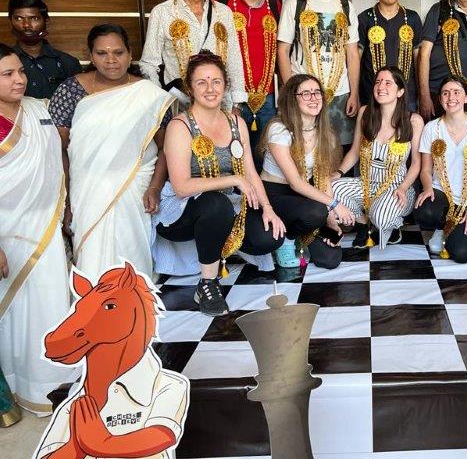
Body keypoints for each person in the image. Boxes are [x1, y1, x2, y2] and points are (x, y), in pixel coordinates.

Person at [157, 51, 285, 316]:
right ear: (190, 88)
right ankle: (208, 283)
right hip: (182, 211)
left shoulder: (236, 122)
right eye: (201, 82)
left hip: (228, 204)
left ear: (225, 85)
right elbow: (181, 186)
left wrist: (268, 208)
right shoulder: (180, 126)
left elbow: (250, 172)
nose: (210, 88)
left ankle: (221, 247)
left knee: (270, 237)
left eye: (216, 81)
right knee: (216, 204)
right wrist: (234, 179)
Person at [49, 24, 173, 280]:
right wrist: (66, 202)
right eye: (102, 53)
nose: (111, 60)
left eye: (118, 52)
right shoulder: (71, 91)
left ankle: (136, 295)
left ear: (130, 54)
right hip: (86, 190)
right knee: (91, 255)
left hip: (134, 188)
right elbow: (58, 150)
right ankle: (93, 298)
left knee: (131, 252)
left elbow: (166, 147)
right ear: (91, 56)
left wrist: (155, 188)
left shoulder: (149, 94)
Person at [0, 44, 78, 413]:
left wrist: (67, 208)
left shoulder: (38, 109)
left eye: (20, 71)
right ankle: (16, 383)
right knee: (14, 311)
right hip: (6, 233)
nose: (19, 79)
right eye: (8, 74)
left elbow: (59, 159)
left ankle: (50, 383)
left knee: (49, 302)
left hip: (45, 225)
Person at [261, 74, 355, 269]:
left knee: (330, 259)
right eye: (306, 93)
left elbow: (324, 179)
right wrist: (334, 204)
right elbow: (295, 183)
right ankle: (287, 239)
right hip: (276, 195)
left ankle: (300, 234)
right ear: (292, 99)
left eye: (317, 92)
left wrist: (331, 220)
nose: (313, 98)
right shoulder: (279, 130)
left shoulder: (325, 133)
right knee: (316, 212)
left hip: (306, 197)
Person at [140, 0, 246, 109]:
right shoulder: (162, 12)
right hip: (180, 109)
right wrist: (161, 103)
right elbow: (149, 65)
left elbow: (234, 61)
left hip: (220, 109)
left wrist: (237, 105)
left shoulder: (223, 12)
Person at [276, 0, 359, 146]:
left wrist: (354, 93)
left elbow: (352, 53)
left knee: (340, 150)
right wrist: (291, 92)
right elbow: (283, 50)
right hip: (304, 93)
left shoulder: (346, 7)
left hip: (339, 93)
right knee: (304, 149)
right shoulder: (295, 3)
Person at [332, 66, 423, 248]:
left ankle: (388, 223)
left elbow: (416, 163)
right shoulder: (365, 112)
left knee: (380, 217)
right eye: (378, 82)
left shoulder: (413, 120)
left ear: (400, 91)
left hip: (397, 187)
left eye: (388, 83)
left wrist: (403, 188)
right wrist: (339, 173)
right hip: (367, 184)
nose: (381, 87)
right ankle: (363, 222)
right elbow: (355, 151)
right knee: (330, 188)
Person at [414, 75, 467, 262]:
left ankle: (454, 232)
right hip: (442, 193)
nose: (451, 97)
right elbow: (425, 170)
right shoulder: (431, 128)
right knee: (425, 210)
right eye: (446, 93)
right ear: (440, 99)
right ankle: (440, 227)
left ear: (466, 97)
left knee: (462, 253)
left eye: (457, 92)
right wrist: (428, 188)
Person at [212, 0, 282, 150]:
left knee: (266, 153)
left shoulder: (275, 5)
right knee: (229, 151)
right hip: (229, 94)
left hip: (267, 96)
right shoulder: (219, 1)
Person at [357, 0, 423, 111]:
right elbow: (356, 59)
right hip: (372, 95)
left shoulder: (412, 18)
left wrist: (423, 95)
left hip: (406, 96)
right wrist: (354, 93)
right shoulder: (365, 18)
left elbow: (418, 60)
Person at [7, 0, 81, 99]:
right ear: (11, 21)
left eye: (34, 18)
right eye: (19, 18)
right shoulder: (3, 62)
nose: (26, 25)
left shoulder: (68, 63)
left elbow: (77, 102)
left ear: (46, 21)